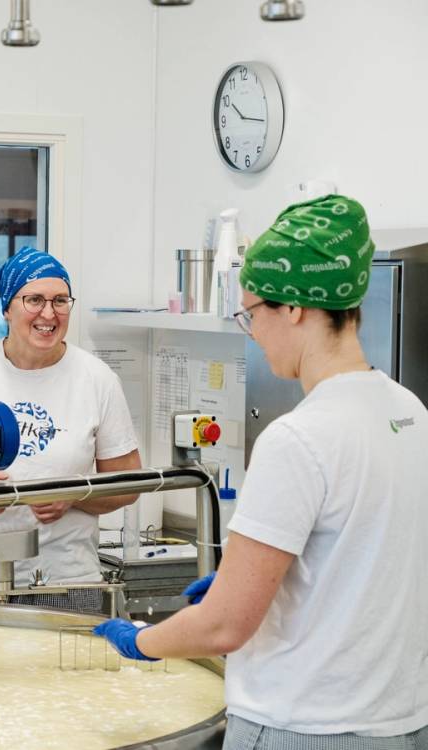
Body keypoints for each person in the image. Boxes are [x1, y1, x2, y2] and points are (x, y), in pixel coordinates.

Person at [96, 195, 428, 747]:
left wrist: (141, 640)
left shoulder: (299, 437)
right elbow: (362, 569)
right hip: (402, 723)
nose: (251, 330)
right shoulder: (410, 412)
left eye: (251, 313)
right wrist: (244, 587)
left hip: (301, 725)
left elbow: (226, 626)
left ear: (293, 308)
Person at [0, 246, 142, 612]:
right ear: (7, 308)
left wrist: (74, 495)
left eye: (60, 301)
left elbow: (130, 483)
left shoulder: (96, 379)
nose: (48, 313)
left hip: (65, 582)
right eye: (34, 300)